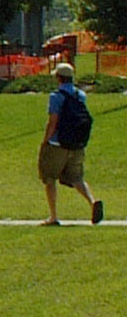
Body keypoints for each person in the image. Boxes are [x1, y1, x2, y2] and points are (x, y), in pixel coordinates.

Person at [39, 62, 102, 226]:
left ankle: (53, 216)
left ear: (58, 78)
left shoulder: (56, 97)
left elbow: (53, 122)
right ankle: (92, 201)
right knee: (76, 178)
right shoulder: (80, 95)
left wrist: (45, 141)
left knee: (50, 178)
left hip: (58, 144)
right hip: (77, 144)